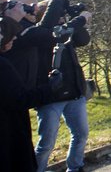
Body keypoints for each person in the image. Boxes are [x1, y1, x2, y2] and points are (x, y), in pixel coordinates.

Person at [33, 0, 92, 172]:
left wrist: (76, 20)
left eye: (62, 16)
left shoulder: (67, 31)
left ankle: (75, 167)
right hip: (51, 96)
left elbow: (83, 40)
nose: (62, 19)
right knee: (46, 143)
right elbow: (55, 34)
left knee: (81, 134)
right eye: (58, 16)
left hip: (74, 93)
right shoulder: (39, 34)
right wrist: (79, 19)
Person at [1, 14, 61, 172]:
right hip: (8, 133)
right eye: (11, 36)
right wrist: (50, 87)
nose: (14, 39)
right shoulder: (3, 66)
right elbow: (19, 99)